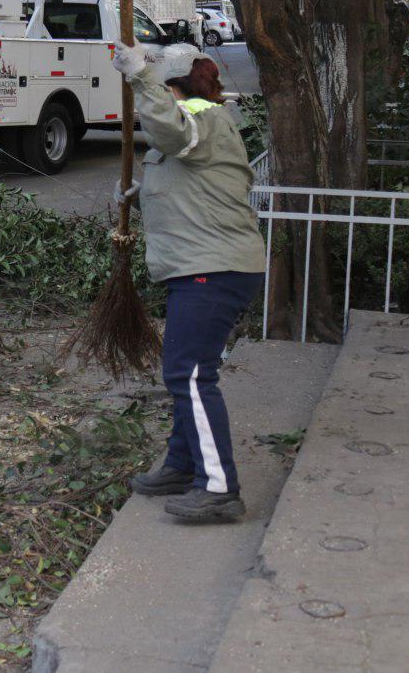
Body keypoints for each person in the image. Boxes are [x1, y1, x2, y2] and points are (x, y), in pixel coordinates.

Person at [111, 42, 267, 522]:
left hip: (213, 269)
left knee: (191, 375)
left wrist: (140, 79)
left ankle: (219, 489)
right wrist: (140, 198)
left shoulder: (202, 117)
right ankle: (182, 465)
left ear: (171, 84)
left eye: (160, 82)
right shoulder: (195, 126)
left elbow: (172, 132)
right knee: (186, 374)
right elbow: (192, 191)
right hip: (200, 265)